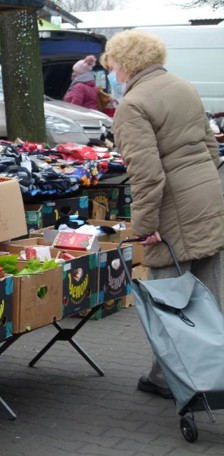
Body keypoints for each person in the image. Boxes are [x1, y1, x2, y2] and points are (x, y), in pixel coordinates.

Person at [102, 30, 224, 399]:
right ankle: (207, 369)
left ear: (123, 63)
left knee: (168, 294)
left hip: (173, 205)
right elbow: (211, 146)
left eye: (111, 60)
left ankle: (172, 377)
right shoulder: (183, 86)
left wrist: (144, 226)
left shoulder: (133, 104)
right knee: (210, 292)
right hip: (207, 192)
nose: (110, 67)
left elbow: (147, 174)